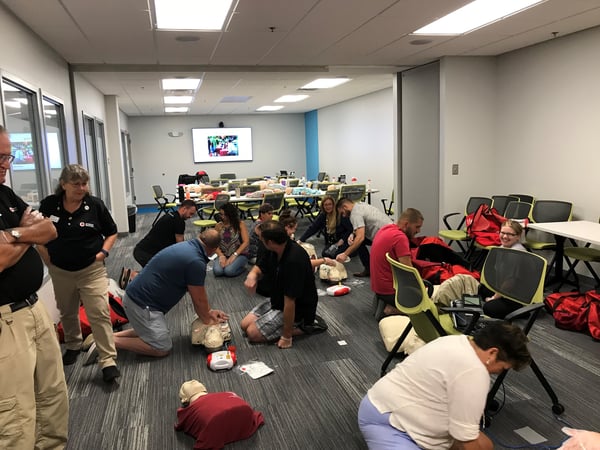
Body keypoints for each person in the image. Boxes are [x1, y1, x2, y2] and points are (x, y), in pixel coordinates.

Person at [0, 126, 69, 449]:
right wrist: (27, 232)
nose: (7, 164)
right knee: (16, 416)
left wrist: (15, 234)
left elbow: (48, 231)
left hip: (33, 309)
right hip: (6, 322)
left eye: (8, 155)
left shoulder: (3, 193)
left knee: (53, 396)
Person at [358, 322, 531, 450]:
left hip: (383, 405)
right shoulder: (474, 371)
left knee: (485, 445)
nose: (499, 373)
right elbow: (467, 441)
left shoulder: (457, 341)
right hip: (389, 422)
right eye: (503, 367)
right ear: (492, 353)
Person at [38, 164, 121, 383]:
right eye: (76, 184)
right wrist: (47, 258)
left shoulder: (94, 205)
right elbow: (37, 233)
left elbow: (111, 232)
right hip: (60, 270)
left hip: (91, 270)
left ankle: (108, 360)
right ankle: (74, 344)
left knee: (99, 312)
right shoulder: (49, 205)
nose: (81, 188)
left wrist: (103, 252)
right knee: (67, 310)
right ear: (63, 184)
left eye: (84, 184)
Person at [113, 229, 228, 357]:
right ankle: (109, 342)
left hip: (134, 297)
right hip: (142, 305)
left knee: (147, 332)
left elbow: (200, 299)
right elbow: (199, 301)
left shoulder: (187, 246)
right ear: (213, 249)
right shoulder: (196, 262)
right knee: (162, 347)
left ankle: (109, 336)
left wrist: (209, 312)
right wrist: (210, 322)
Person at [242, 221, 323, 349]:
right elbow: (259, 266)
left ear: (270, 242)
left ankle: (305, 326)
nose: (260, 241)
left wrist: (287, 336)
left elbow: (290, 302)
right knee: (244, 325)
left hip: (298, 308)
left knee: (252, 334)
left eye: (262, 239)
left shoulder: (294, 260)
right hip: (278, 298)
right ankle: (292, 325)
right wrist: (252, 276)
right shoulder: (275, 248)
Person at [370, 208, 424, 316]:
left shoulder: (385, 229)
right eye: (417, 227)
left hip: (377, 287)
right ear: (406, 224)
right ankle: (393, 310)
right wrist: (424, 290)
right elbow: (409, 273)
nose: (418, 231)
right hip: (391, 292)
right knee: (427, 311)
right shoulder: (400, 238)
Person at [481, 219, 527, 319]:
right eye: (503, 233)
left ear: (518, 236)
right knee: (482, 288)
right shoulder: (503, 247)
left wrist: (493, 298)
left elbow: (509, 282)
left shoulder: (516, 253)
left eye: (510, 234)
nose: (505, 236)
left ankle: (522, 311)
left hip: (517, 297)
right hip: (507, 291)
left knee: (489, 308)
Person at [336, 197, 392, 277]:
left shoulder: (355, 214)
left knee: (358, 241)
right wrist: (353, 234)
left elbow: (360, 238)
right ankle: (369, 268)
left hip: (386, 238)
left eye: (342, 213)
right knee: (356, 239)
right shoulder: (361, 205)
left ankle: (371, 269)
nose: (344, 216)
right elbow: (360, 227)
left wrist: (345, 254)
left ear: (345, 207)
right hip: (389, 232)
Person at [133, 199, 197, 267]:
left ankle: (129, 274)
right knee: (159, 274)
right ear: (184, 209)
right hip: (146, 254)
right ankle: (130, 274)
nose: (190, 217)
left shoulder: (170, 215)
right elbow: (180, 245)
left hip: (140, 250)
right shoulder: (179, 222)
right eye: (191, 213)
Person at [298, 194, 353, 259]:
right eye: (325, 205)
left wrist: (342, 240)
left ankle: (352, 250)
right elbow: (313, 228)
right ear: (323, 206)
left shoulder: (340, 215)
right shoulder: (323, 215)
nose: (328, 207)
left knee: (334, 255)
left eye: (330, 204)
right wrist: (301, 240)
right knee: (325, 254)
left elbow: (350, 229)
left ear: (333, 205)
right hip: (332, 242)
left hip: (343, 241)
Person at [213, 202, 249, 277]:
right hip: (223, 254)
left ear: (229, 215)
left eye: (223, 214)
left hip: (239, 254)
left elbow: (246, 242)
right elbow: (214, 243)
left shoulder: (240, 224)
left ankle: (243, 268)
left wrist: (234, 255)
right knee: (218, 271)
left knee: (229, 271)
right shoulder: (218, 226)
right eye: (220, 214)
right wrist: (221, 255)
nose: (221, 216)